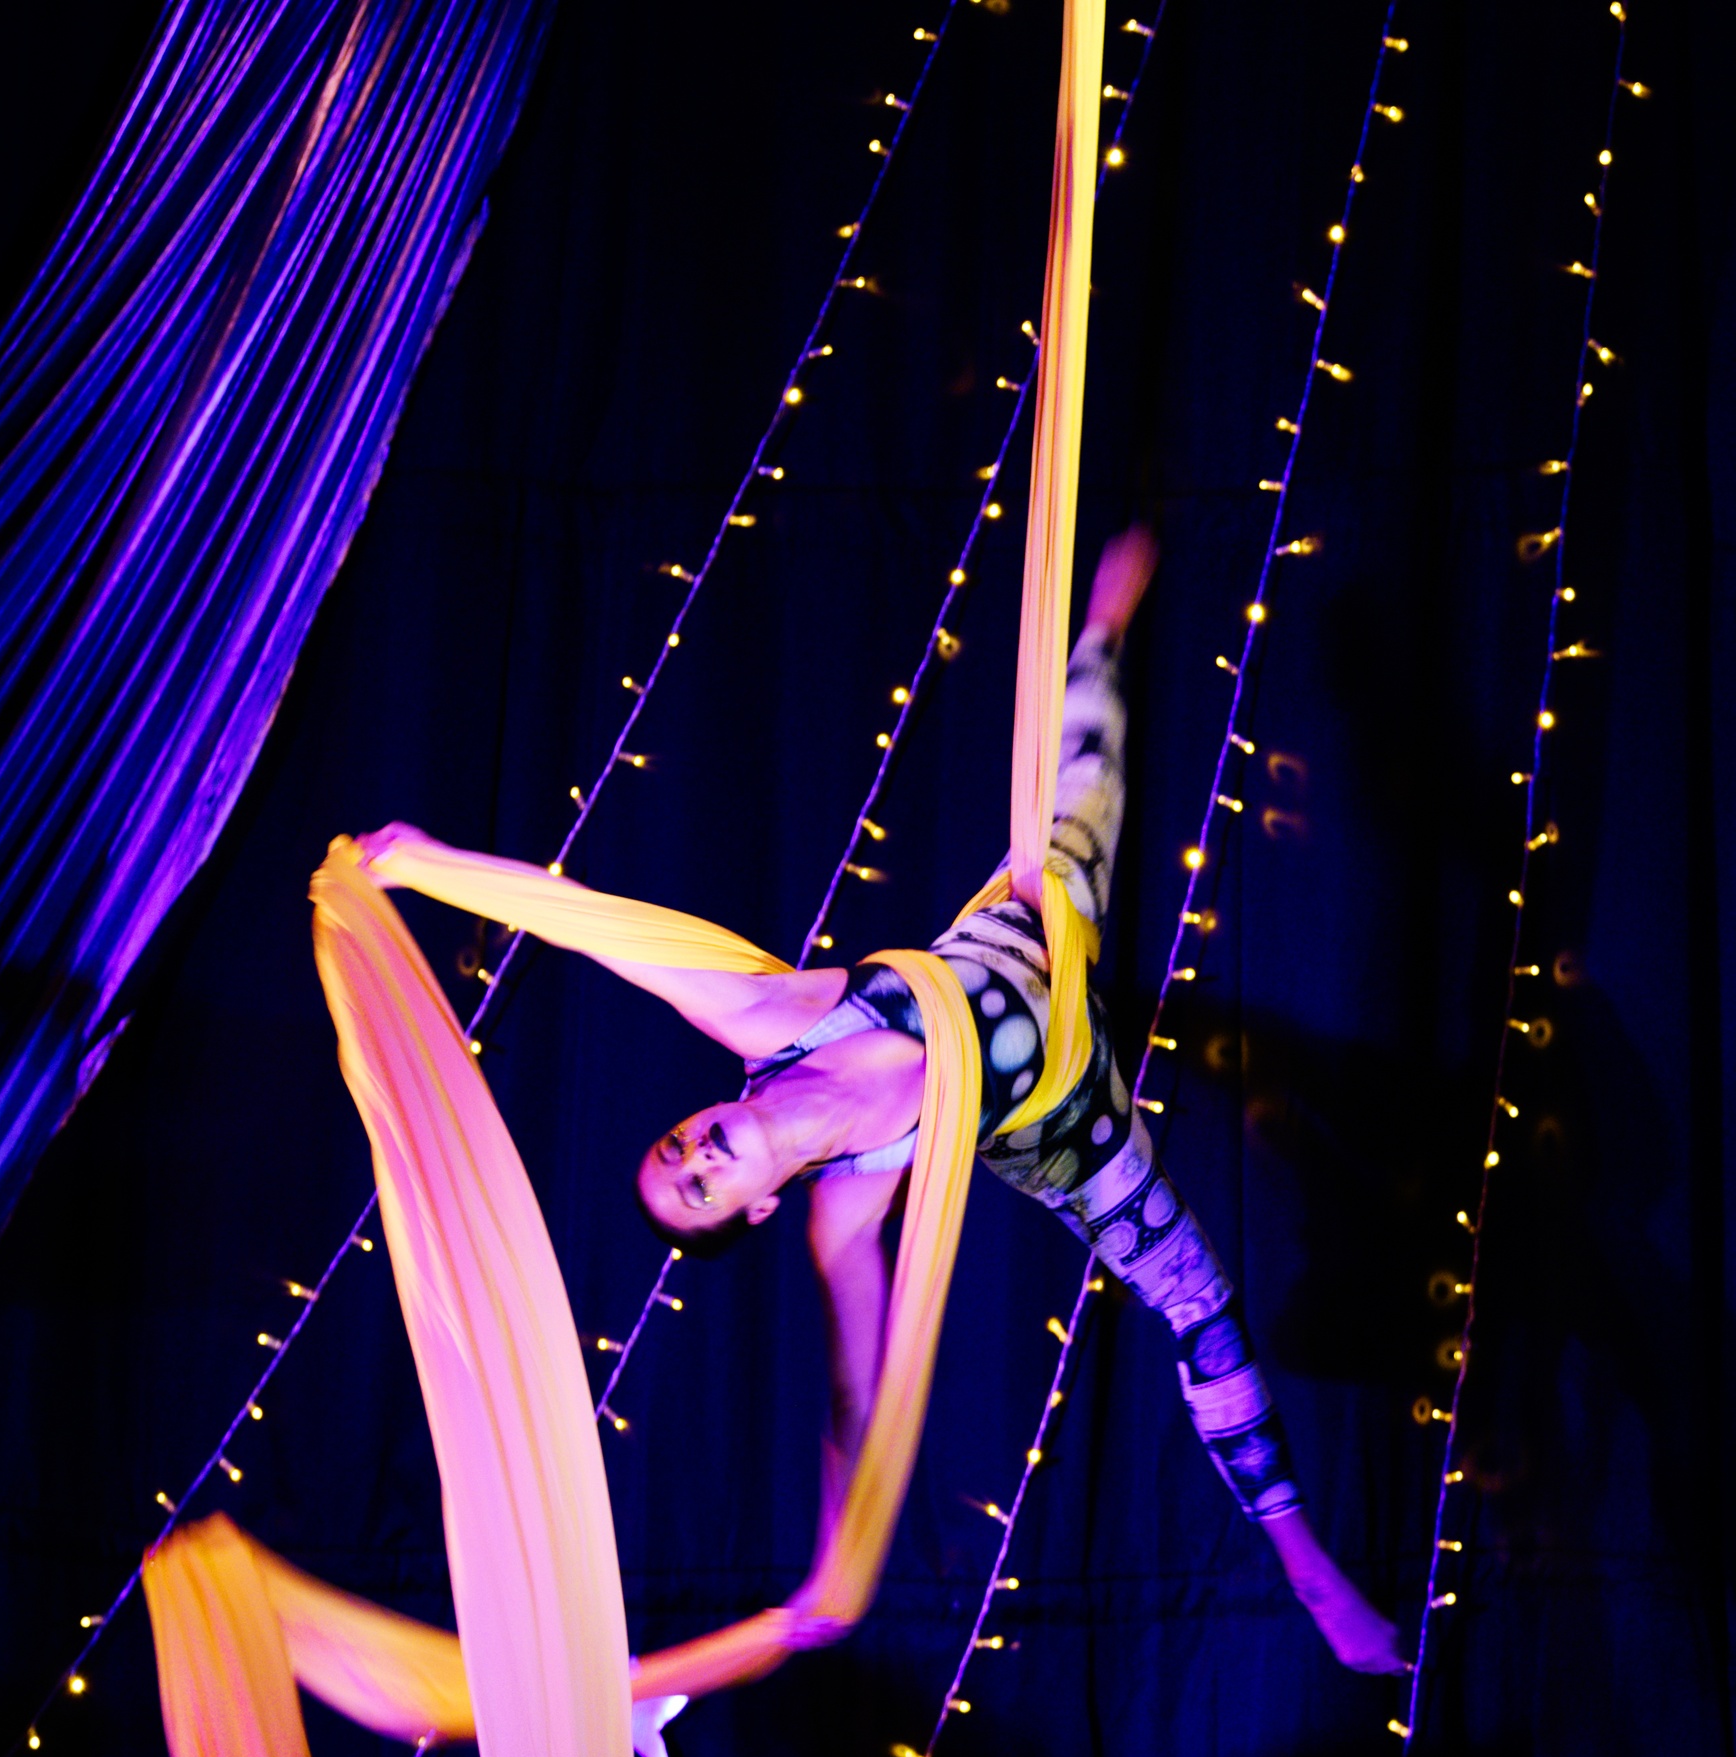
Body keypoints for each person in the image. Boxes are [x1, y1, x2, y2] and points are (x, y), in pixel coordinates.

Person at [366, 530, 1405, 1675]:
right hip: (1071, 1131)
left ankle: (1100, 629)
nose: (699, 1150)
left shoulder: (772, 1018)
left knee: (1079, 780)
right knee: (1200, 1312)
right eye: (702, 1183)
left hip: (1023, 928)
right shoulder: (843, 1210)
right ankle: (1306, 1567)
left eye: (675, 1146)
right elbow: (856, 1399)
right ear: (755, 1207)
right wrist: (836, 1554)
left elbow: (591, 927)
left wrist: (426, 862)